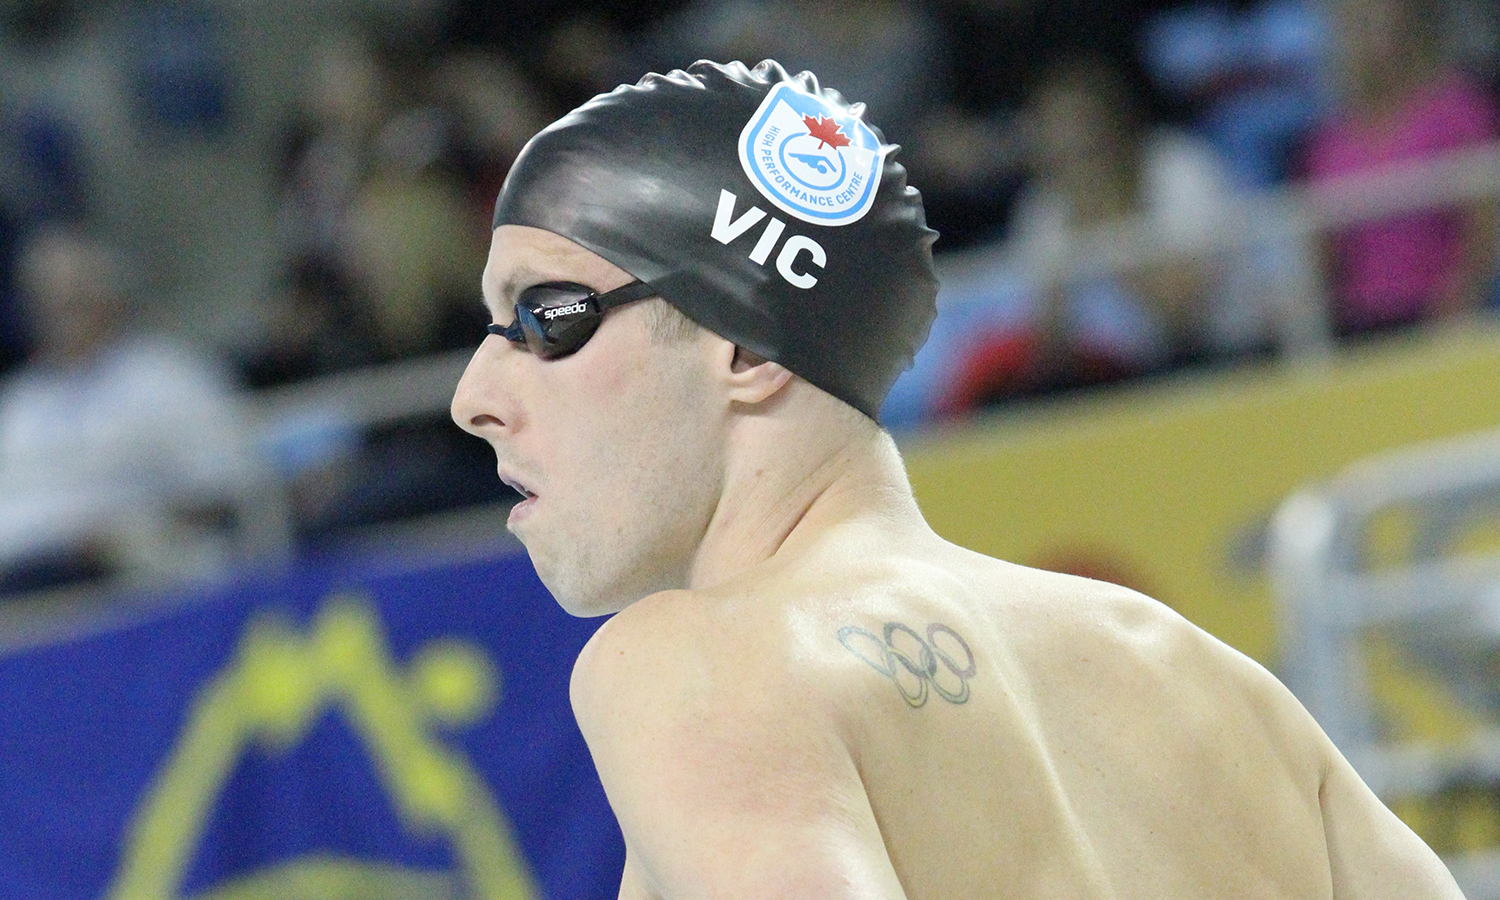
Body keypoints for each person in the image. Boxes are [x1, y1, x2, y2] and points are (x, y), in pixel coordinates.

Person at [451, 60, 1463, 898]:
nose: (472, 395)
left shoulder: (695, 666)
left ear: (749, 345)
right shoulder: (1212, 684)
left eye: (546, 316)